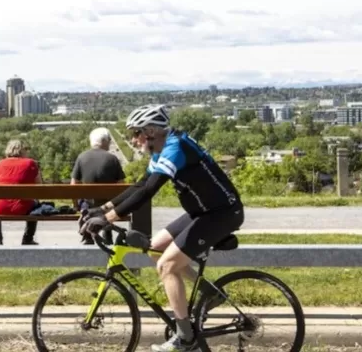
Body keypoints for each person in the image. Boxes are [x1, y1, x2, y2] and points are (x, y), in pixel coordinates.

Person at [79, 104, 244, 352]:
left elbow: (149, 191)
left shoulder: (175, 148)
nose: (133, 140)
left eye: (136, 133)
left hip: (222, 214)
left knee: (166, 266)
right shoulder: (162, 149)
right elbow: (140, 184)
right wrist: (104, 209)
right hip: (203, 212)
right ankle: (211, 294)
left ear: (151, 131)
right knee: (154, 247)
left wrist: (109, 218)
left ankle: (185, 338)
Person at [71, 127, 125, 244]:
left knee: (86, 204)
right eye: (109, 140)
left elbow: (73, 184)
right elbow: (121, 186)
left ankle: (88, 235)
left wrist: (76, 206)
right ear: (104, 141)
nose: (110, 143)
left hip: (88, 205)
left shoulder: (81, 157)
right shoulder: (112, 159)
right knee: (108, 205)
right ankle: (107, 234)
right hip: (107, 206)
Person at [0, 139, 42, 245]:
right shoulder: (30, 163)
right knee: (36, 203)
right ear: (23, 151)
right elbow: (40, 187)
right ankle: (28, 239)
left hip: (0, 208)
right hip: (23, 208)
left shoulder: (0, 163)